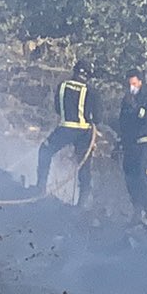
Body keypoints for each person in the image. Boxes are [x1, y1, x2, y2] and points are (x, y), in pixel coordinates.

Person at [35, 67, 96, 201]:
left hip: (65, 129)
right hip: (84, 132)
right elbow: (97, 117)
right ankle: (83, 201)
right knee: (84, 164)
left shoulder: (62, 86)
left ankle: (40, 188)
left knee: (45, 150)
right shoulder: (90, 91)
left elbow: (57, 108)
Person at [118, 71, 147, 224]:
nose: (132, 87)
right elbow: (123, 122)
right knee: (131, 177)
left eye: (134, 84)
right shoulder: (127, 101)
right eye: (130, 84)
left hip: (146, 146)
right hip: (131, 147)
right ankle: (138, 210)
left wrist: (136, 133)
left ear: (141, 82)